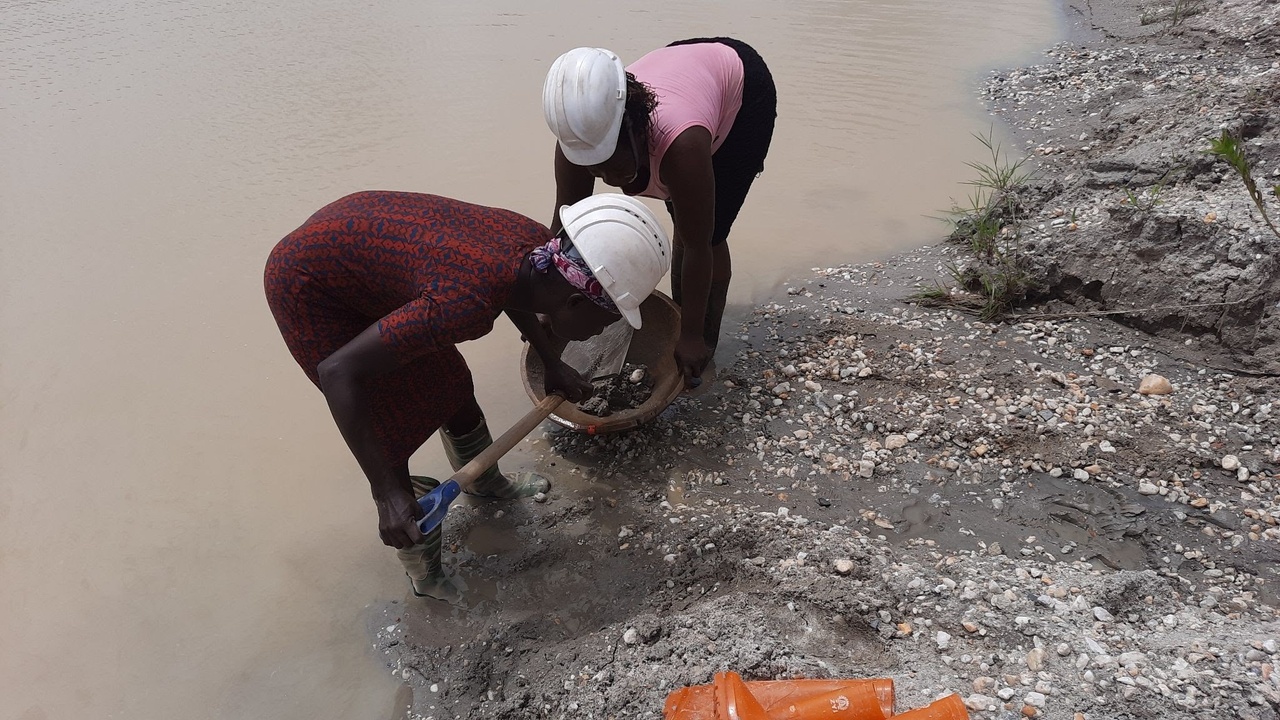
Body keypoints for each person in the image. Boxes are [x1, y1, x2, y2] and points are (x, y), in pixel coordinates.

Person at [264, 191, 670, 598]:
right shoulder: (466, 302)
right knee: (385, 419)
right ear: (575, 300)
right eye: (605, 321)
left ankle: (484, 483)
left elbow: (516, 290)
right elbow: (337, 373)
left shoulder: (535, 248)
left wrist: (552, 362)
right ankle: (425, 574)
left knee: (451, 383)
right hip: (310, 286)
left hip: (360, 249)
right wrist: (384, 492)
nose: (602, 332)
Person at [543, 38, 777, 387]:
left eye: (614, 164)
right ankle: (687, 320)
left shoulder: (681, 147)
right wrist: (550, 303)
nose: (609, 180)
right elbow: (565, 229)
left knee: (706, 232)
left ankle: (702, 341)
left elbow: (699, 245)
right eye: (596, 170)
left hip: (740, 90)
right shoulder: (580, 141)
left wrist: (692, 336)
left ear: (635, 129)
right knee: (684, 212)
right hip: (683, 73)